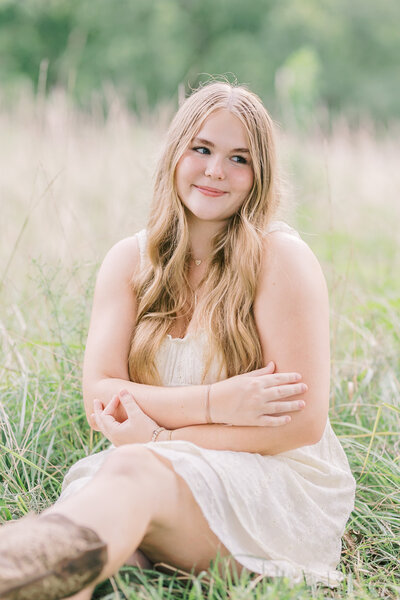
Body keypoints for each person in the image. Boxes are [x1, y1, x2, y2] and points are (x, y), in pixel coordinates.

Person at [0, 81, 356, 600]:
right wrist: (219, 403)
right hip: (152, 475)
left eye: (239, 158)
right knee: (84, 565)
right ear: (175, 152)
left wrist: (161, 440)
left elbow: (299, 424)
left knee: (129, 473)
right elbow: (103, 396)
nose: (216, 170)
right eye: (203, 149)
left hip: (272, 487)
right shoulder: (129, 261)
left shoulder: (280, 259)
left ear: (260, 177)